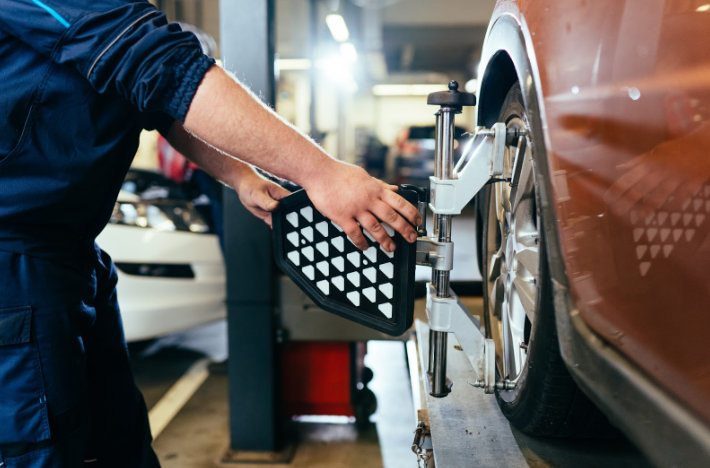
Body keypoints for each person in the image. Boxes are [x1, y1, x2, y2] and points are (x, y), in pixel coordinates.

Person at [0, 1, 421, 467]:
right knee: (41, 453)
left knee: (119, 447)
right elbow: (161, 65)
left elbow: (157, 101)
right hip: (13, 271)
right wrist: (321, 173)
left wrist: (240, 175)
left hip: (65, 258)